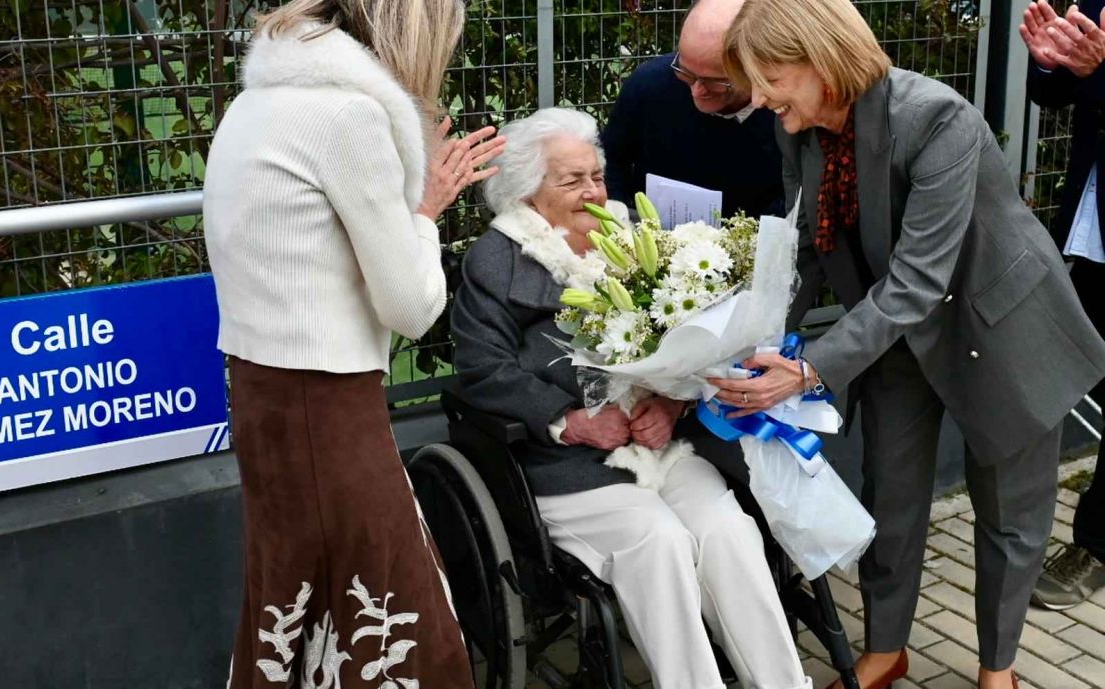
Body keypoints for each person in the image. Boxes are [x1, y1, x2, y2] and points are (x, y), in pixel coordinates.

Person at [714, 0, 1105, 687]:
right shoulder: (797, 130)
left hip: (1001, 325)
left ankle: (999, 668)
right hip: (893, 334)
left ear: (819, 58)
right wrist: (755, 337)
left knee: (1009, 515)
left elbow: (917, 282)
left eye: (769, 75)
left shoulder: (935, 118)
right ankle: (885, 651)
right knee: (890, 497)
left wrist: (806, 371)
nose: (760, 95)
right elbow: (807, 248)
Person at [451, 107, 811, 689]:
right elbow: (481, 366)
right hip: (566, 463)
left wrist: (672, 404)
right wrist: (568, 421)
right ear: (525, 193)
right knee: (660, 541)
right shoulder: (496, 262)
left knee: (728, 531)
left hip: (657, 443)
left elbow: (690, 341)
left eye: (596, 174)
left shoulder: (633, 238)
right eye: (572, 180)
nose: (593, 190)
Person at [202, 0, 506, 686]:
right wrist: (425, 208)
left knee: (289, 614)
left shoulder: (254, 105)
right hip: (327, 411)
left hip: (261, 403)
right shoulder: (350, 117)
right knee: (400, 623)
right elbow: (412, 307)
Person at [1021, 0, 1105, 611]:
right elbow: (1049, 94)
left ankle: (1095, 547)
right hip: (1091, 221)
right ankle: (1016, 530)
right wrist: (1053, 67)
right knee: (1053, 364)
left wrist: (1099, 73)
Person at [601, 0, 782, 217]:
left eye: (714, 80)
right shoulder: (649, 84)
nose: (696, 91)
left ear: (754, 67)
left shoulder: (784, 107)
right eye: (685, 72)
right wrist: (618, 216)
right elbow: (609, 160)